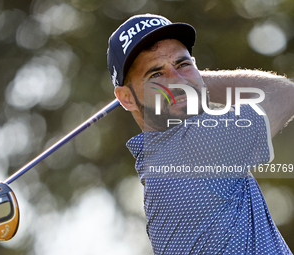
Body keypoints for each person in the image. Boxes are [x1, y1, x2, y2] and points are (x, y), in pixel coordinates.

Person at [107, 14, 294, 254]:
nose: (176, 81)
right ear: (126, 98)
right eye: (156, 74)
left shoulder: (155, 161)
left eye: (183, 64)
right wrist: (195, 80)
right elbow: (284, 95)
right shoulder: (198, 147)